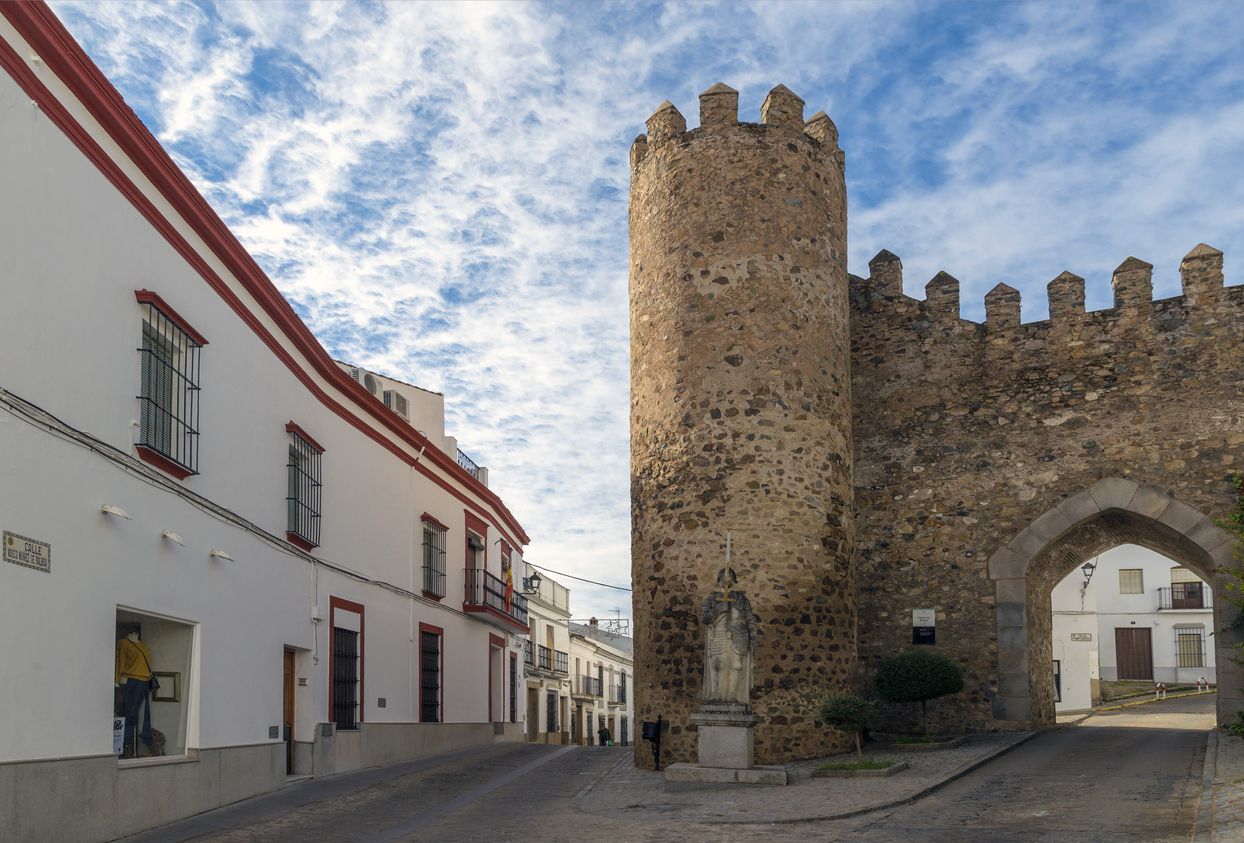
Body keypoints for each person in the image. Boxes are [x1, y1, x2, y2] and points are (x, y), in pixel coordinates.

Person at [115, 630, 155, 757]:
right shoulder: (124, 643)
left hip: (144, 682)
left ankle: (134, 745)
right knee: (130, 714)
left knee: (142, 715)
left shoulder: (144, 646)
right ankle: (125, 746)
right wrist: (116, 679)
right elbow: (120, 660)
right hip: (131, 681)